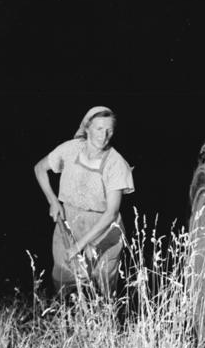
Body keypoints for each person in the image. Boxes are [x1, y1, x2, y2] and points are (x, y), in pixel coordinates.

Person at [34, 106, 134, 298]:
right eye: (99, 129)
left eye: (109, 130)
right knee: (64, 281)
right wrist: (53, 201)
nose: (104, 135)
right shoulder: (70, 149)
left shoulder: (116, 164)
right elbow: (40, 168)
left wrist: (80, 245)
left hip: (103, 230)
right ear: (87, 128)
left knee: (103, 285)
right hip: (69, 221)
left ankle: (106, 322)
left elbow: (111, 213)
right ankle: (64, 321)